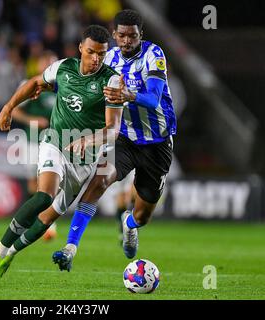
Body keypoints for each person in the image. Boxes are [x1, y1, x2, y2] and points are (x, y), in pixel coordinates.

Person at [0, 25, 124, 280]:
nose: (96, 59)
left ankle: (10, 254)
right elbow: (35, 82)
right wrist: (9, 107)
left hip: (85, 161)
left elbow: (113, 129)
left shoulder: (111, 81)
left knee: (47, 218)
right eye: (91, 52)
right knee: (44, 194)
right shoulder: (64, 68)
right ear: (81, 48)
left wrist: (90, 140)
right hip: (55, 142)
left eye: (101, 54)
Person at [53, 9, 177, 271]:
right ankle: (70, 248)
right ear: (114, 34)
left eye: (132, 36)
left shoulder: (154, 56)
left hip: (157, 143)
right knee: (98, 182)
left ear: (140, 35)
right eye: (121, 35)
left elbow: (154, 98)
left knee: (143, 215)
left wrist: (128, 95)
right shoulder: (107, 58)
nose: (126, 41)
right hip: (123, 139)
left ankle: (130, 224)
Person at [11, 50, 59, 241]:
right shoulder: (29, 85)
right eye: (45, 63)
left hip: (55, 142)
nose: (48, 66)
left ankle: (48, 224)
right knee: (33, 183)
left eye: (52, 63)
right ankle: (33, 221)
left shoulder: (63, 85)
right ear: (39, 65)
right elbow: (14, 111)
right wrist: (33, 120)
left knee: (46, 183)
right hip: (31, 140)